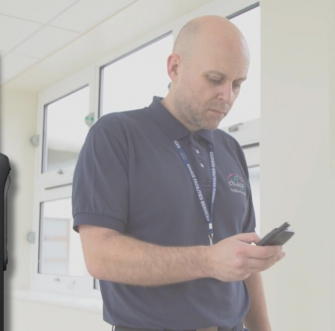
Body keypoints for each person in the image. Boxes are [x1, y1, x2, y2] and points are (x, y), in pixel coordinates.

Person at [72, 15, 285, 331]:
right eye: (215, 79)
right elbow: (100, 256)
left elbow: (244, 265)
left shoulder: (230, 149)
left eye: (237, 84)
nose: (227, 96)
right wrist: (209, 261)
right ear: (174, 67)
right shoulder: (116, 135)